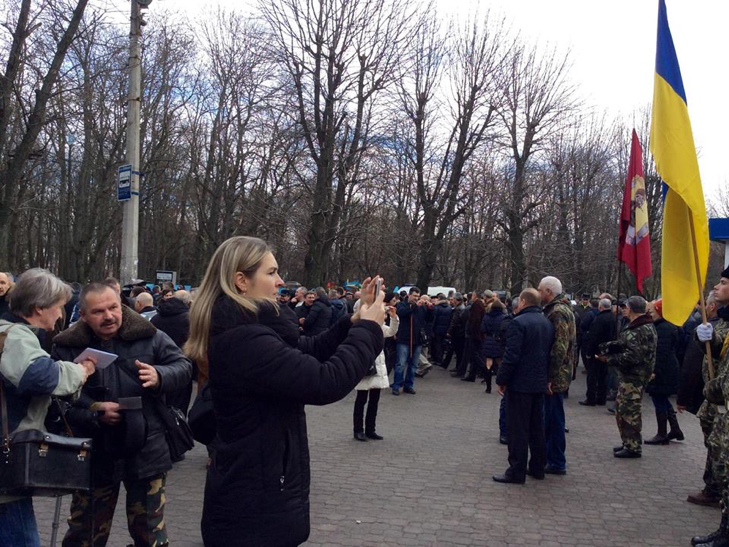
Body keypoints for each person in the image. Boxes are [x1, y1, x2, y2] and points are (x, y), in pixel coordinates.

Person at [183, 236, 385, 546]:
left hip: (255, 491)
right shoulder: (244, 340)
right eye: (271, 272)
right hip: (253, 507)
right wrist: (369, 331)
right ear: (241, 281)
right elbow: (324, 382)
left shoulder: (250, 329)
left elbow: (308, 350)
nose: (280, 282)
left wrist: (353, 321)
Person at [52, 282, 193, 547]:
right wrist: (94, 412)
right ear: (82, 315)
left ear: (122, 305)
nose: (108, 316)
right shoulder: (67, 346)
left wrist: (160, 375)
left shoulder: (150, 334)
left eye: (113, 307)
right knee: (85, 533)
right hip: (94, 451)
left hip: (147, 447)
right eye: (98, 311)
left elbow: (184, 366)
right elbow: (58, 401)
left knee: (150, 533)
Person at [0, 269, 96, 547]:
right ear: (39, 308)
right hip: (7, 461)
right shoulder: (14, 337)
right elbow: (39, 377)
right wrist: (80, 370)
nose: (61, 313)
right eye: (58, 306)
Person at [493, 289, 554, 484]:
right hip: (538, 382)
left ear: (523, 302)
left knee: (517, 429)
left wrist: (501, 379)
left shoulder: (518, 323)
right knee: (536, 427)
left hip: (520, 383)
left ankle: (516, 470)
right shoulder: (546, 322)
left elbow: (512, 355)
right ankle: (537, 467)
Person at [596, 295, 656, 458]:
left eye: (626, 307)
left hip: (634, 377)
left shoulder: (641, 328)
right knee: (622, 410)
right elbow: (625, 344)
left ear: (633, 309)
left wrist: (609, 359)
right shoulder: (637, 326)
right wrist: (609, 347)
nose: (623, 309)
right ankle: (627, 442)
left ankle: (633, 446)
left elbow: (632, 356)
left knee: (630, 412)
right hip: (630, 377)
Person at [682, 292, 721, 507]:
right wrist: (711, 339)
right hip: (713, 399)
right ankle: (712, 487)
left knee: (719, 448)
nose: (717, 284)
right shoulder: (719, 323)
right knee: (714, 445)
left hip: (719, 398)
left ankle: (715, 489)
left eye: (724, 283)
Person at [537, 276, 576, 475]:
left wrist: (550, 376)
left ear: (549, 292)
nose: (538, 293)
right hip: (559, 373)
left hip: (556, 375)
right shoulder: (560, 309)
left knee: (553, 420)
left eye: (540, 289)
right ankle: (551, 458)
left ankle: (556, 461)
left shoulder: (558, 312)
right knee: (551, 418)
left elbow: (560, 347)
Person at [352, 293, 399, 441]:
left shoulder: (379, 327)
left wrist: (393, 317)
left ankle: (371, 429)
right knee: (361, 399)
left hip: (378, 366)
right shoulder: (362, 325)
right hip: (365, 364)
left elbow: (391, 332)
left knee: (374, 400)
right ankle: (358, 429)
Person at [644, 299, 683, 445]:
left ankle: (662, 433)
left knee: (659, 398)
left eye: (653, 311)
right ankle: (674, 429)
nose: (650, 314)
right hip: (667, 369)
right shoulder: (664, 326)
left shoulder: (664, 329)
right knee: (661, 399)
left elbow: (661, 353)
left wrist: (654, 371)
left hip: (663, 370)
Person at [151, 290, 193, 418]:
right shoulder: (189, 320)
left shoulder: (155, 318)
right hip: (181, 368)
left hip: (157, 369)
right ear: (188, 302)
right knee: (179, 412)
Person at [391, 286, 433, 396]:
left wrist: (430, 309)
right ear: (409, 295)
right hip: (404, 338)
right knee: (400, 363)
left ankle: (408, 385)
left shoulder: (421, 308)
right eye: (414, 296)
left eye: (418, 296)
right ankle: (396, 385)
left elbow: (429, 320)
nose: (416, 298)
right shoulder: (401, 304)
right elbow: (402, 313)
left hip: (417, 339)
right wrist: (414, 306)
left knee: (413, 365)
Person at [580, 298, 616, 406]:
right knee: (603, 376)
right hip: (607, 351)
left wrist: (589, 352)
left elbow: (594, 336)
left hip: (597, 351)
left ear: (600, 307)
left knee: (592, 376)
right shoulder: (612, 318)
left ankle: (591, 398)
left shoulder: (599, 319)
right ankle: (601, 398)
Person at [481, 298, 507, 393]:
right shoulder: (504, 317)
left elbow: (482, 329)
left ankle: (488, 387)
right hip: (499, 341)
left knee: (488, 363)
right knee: (500, 362)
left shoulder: (486, 316)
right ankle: (501, 384)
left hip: (488, 340)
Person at [445, 293, 467, 374]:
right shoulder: (462, 308)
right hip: (460, 332)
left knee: (459, 351)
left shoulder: (458, 309)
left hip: (458, 333)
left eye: (453, 299)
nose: (452, 301)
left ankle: (459, 368)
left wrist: (449, 331)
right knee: (459, 351)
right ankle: (458, 367)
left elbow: (454, 322)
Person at [430, 294, 452, 367]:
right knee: (443, 344)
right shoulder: (449, 308)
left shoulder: (437, 307)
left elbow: (434, 319)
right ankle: (441, 358)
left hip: (437, 328)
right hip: (445, 328)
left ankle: (438, 359)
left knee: (437, 343)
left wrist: (432, 328)